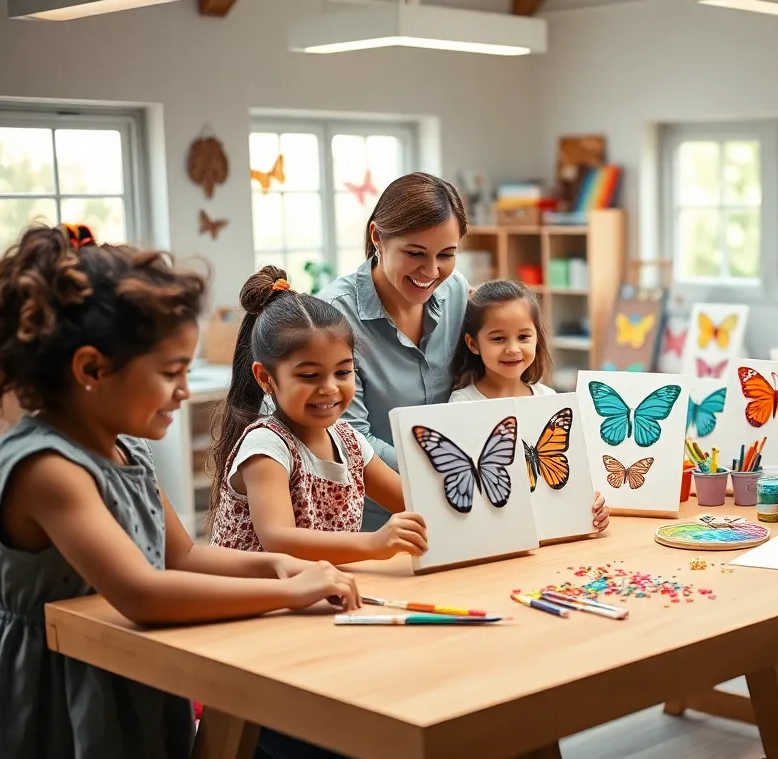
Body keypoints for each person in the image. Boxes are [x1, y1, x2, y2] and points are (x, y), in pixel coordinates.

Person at [0, 225, 360, 759]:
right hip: (61, 686)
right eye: (171, 372)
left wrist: (281, 566)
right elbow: (143, 593)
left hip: (134, 667)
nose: (183, 390)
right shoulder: (47, 468)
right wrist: (288, 594)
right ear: (91, 369)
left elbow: (185, 556)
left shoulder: (123, 447)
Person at [206, 266, 429, 564]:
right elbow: (279, 539)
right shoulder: (266, 448)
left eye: (343, 372)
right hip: (256, 603)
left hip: (315, 593)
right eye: (310, 375)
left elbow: (415, 503)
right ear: (265, 378)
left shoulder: (349, 442)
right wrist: (374, 543)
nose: (330, 388)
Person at [318, 172, 470, 529]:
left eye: (446, 255)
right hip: (366, 524)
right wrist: (453, 461)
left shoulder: (456, 293)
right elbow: (349, 440)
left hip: (460, 505)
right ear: (378, 238)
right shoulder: (332, 317)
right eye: (415, 253)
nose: (431, 271)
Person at [448, 280, 610, 533]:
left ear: (537, 337)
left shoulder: (548, 398)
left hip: (554, 533)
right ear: (473, 344)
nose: (513, 349)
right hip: (497, 535)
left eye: (524, 336)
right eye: (498, 338)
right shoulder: (462, 404)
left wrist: (592, 504)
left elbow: (573, 474)